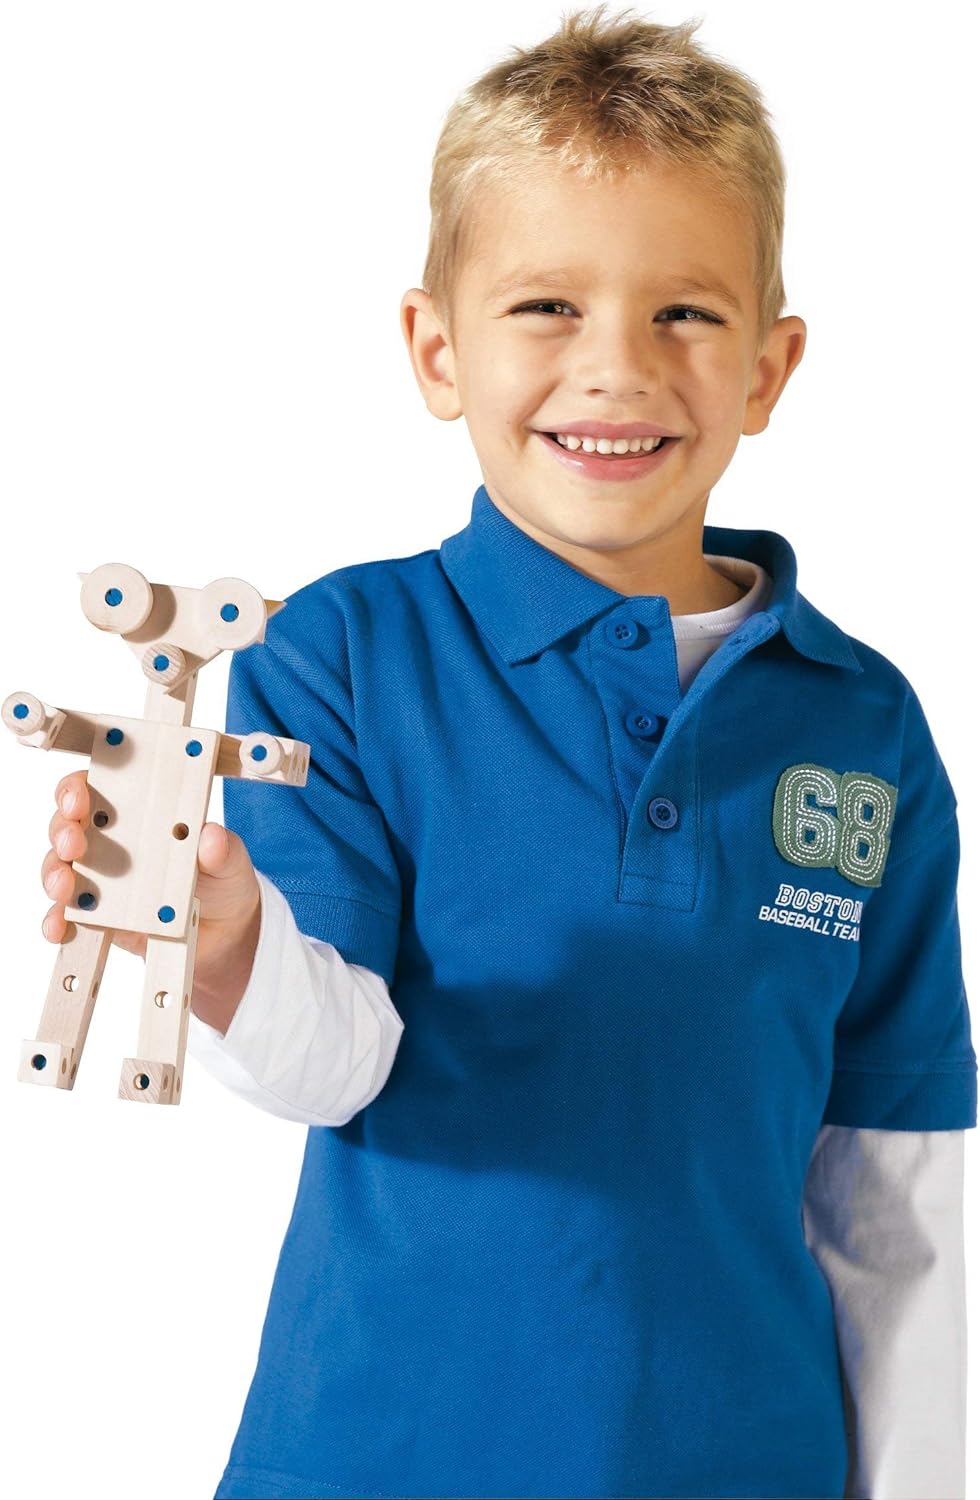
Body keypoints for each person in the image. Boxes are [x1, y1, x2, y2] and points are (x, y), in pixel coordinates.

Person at [41, 7, 976, 1498]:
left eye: (686, 314)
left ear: (769, 368)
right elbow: (334, 1062)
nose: (617, 369)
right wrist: (222, 946)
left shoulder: (862, 726)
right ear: (436, 349)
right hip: (378, 1460)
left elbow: (897, 1180)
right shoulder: (341, 653)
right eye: (547, 305)